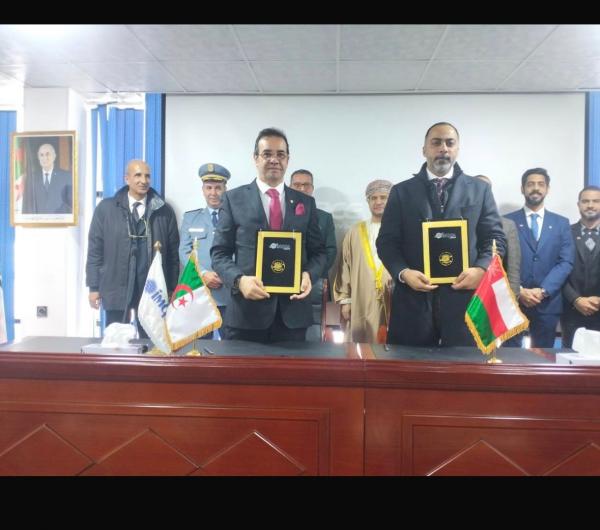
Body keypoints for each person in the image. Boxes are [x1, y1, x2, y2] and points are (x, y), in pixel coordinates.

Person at [376, 122, 506, 347]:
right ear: (424, 149)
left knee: (464, 367)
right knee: (409, 366)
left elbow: (495, 239)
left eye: (449, 143)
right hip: (413, 301)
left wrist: (481, 269)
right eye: (436, 143)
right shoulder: (401, 191)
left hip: (465, 300)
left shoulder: (480, 189)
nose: (443, 148)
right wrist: (404, 273)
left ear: (457, 149)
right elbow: (387, 242)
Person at [211, 127, 326, 343]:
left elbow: (319, 253)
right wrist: (239, 281)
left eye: (280, 154)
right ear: (255, 158)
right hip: (246, 315)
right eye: (267, 154)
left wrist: (309, 275)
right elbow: (219, 253)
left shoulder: (306, 203)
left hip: (293, 315)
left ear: (288, 160)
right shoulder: (233, 199)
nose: (274, 160)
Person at [86, 159, 180, 337]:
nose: (143, 180)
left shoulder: (164, 211)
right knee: (115, 340)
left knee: (152, 342)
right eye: (138, 175)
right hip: (115, 285)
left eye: (147, 176)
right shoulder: (106, 209)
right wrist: (93, 287)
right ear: (127, 178)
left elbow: (173, 256)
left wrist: (171, 287)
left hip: (152, 290)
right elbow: (95, 251)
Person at [505, 168, 574, 348]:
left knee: (543, 358)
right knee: (511, 357)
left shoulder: (561, 223)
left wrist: (543, 291)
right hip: (513, 302)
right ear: (522, 189)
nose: (535, 188)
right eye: (530, 184)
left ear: (547, 189)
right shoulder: (506, 222)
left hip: (547, 303)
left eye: (540, 184)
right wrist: (519, 291)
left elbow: (565, 262)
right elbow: (500, 262)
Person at [334, 179, 393, 343]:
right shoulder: (354, 232)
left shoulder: (401, 230)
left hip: (394, 299)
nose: (378, 202)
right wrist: (345, 301)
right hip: (360, 300)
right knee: (360, 346)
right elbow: (344, 268)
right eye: (373, 198)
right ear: (368, 201)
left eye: (383, 197)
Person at [179, 163, 231, 339]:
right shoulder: (191, 218)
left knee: (232, 346)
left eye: (218, 188)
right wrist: (203, 274)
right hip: (200, 290)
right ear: (203, 190)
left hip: (228, 292)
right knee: (199, 345)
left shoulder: (236, 217)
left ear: (225, 189)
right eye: (209, 188)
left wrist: (226, 274)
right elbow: (184, 251)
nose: (213, 193)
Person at [290, 169, 337, 341]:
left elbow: (330, 250)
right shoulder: (281, 214)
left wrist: (311, 274)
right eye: (297, 185)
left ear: (312, 188)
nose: (302, 189)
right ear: (289, 187)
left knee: (316, 332)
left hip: (316, 283)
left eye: (306, 185)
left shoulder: (324, 218)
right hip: (285, 281)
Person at [560, 186, 600, 348]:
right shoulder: (564, 233)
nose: (590, 205)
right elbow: (557, 271)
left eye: (596, 201)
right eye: (585, 201)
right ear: (578, 205)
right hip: (572, 312)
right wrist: (576, 299)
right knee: (570, 359)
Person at [475, 175, 521, 297]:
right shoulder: (458, 224)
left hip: (495, 296)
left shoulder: (507, 225)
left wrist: (513, 298)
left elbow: (513, 269)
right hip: (463, 294)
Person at [22, 143, 72, 214]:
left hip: (59, 220)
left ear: (54, 156)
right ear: (38, 158)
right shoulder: (32, 178)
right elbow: (27, 204)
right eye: (41, 155)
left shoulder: (66, 176)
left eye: (47, 154)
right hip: (38, 220)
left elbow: (70, 205)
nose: (44, 158)